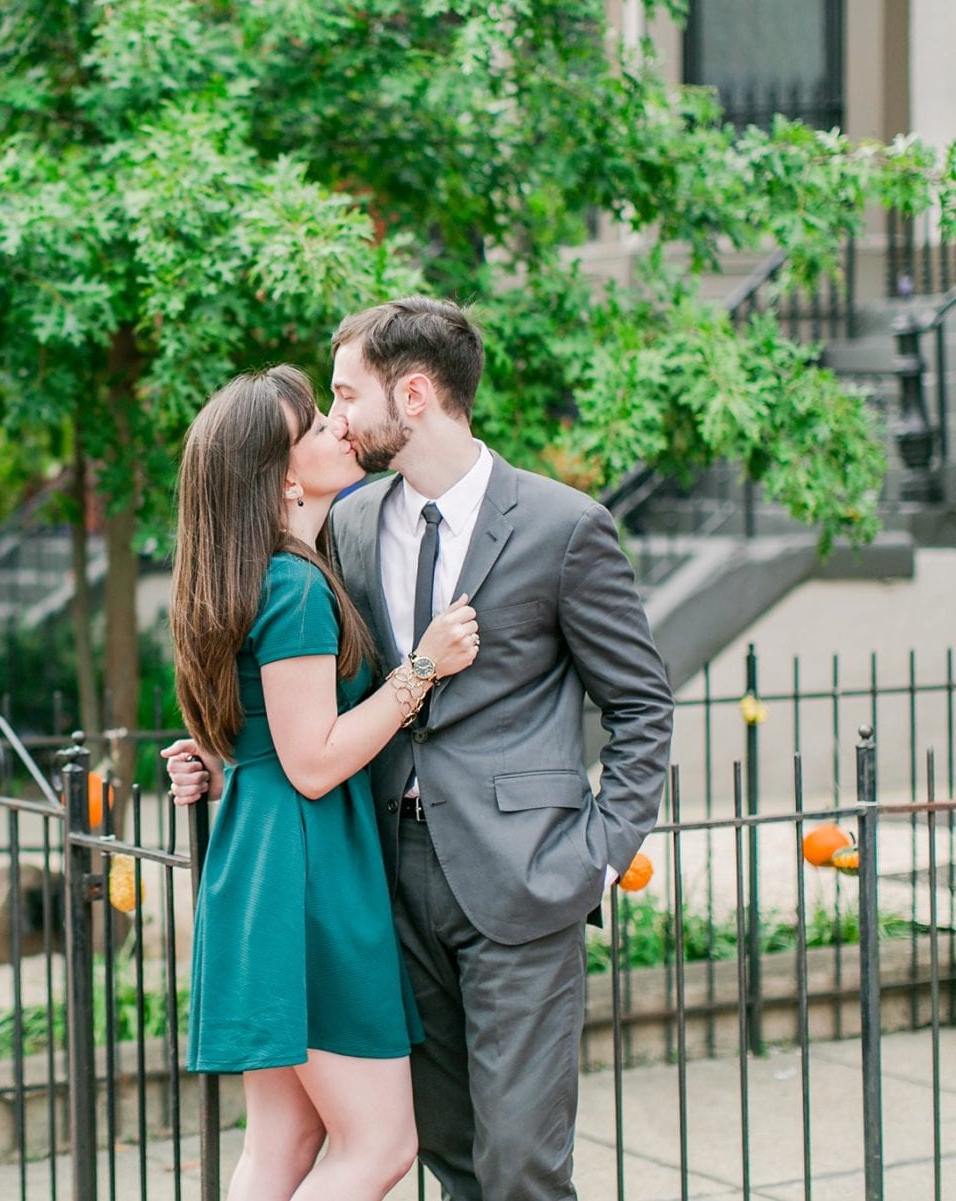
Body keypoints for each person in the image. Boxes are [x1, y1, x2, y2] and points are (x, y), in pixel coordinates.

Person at [168, 298, 674, 1201]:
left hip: (522, 881)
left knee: (521, 1159)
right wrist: (232, 748)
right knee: (445, 1151)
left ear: (411, 395)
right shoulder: (347, 528)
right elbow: (300, 691)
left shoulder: (564, 527)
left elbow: (641, 705)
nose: (338, 417)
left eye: (344, 394)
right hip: (380, 883)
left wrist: (597, 862)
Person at [169, 363, 480, 1201]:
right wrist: (422, 669)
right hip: (308, 874)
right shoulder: (294, 586)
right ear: (275, 475)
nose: (337, 430)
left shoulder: (251, 578)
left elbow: (267, 735)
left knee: (283, 1142)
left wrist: (215, 760)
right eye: (313, 428)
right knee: (379, 1146)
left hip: (262, 862)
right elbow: (314, 758)